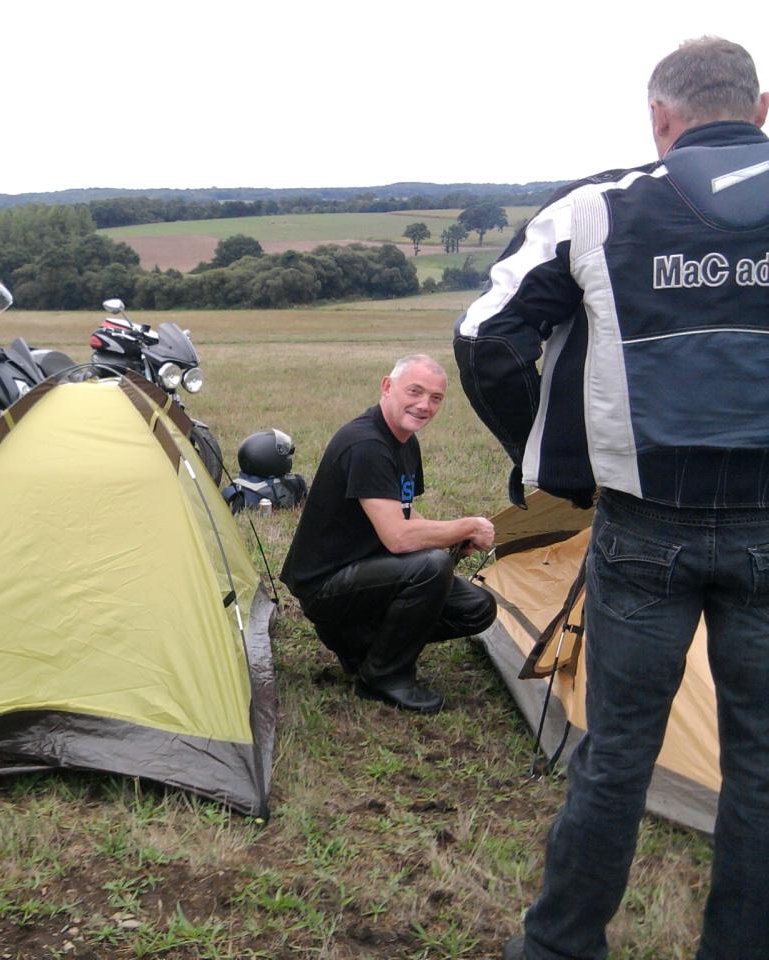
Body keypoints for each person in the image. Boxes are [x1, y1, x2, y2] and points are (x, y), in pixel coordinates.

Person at [453, 37, 769, 960]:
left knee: (617, 751)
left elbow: (486, 336)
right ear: (760, 110)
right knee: (760, 763)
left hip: (642, 525)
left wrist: (551, 457)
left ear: (659, 119)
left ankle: (559, 946)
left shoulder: (594, 209)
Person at [280, 354, 497, 714]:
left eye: (436, 398)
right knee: (431, 566)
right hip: (327, 585)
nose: (424, 405)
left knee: (476, 608)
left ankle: (364, 646)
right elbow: (399, 537)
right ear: (387, 386)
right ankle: (382, 677)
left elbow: (406, 512)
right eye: (415, 391)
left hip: (369, 571)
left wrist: (451, 538)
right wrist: (468, 526)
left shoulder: (405, 440)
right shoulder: (366, 444)